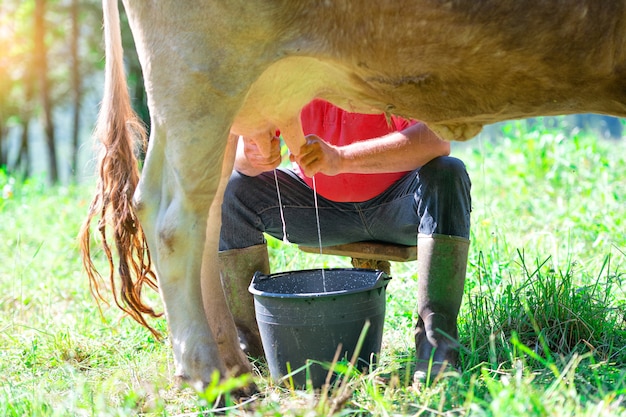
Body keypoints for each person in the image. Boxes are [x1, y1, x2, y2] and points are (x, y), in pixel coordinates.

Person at [218, 99, 471, 378]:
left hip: (399, 205)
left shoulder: (383, 62)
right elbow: (242, 159)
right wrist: (253, 155)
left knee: (449, 172)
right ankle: (250, 349)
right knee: (233, 190)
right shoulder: (291, 73)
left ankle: (437, 343)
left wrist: (341, 158)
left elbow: (437, 140)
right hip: (318, 207)